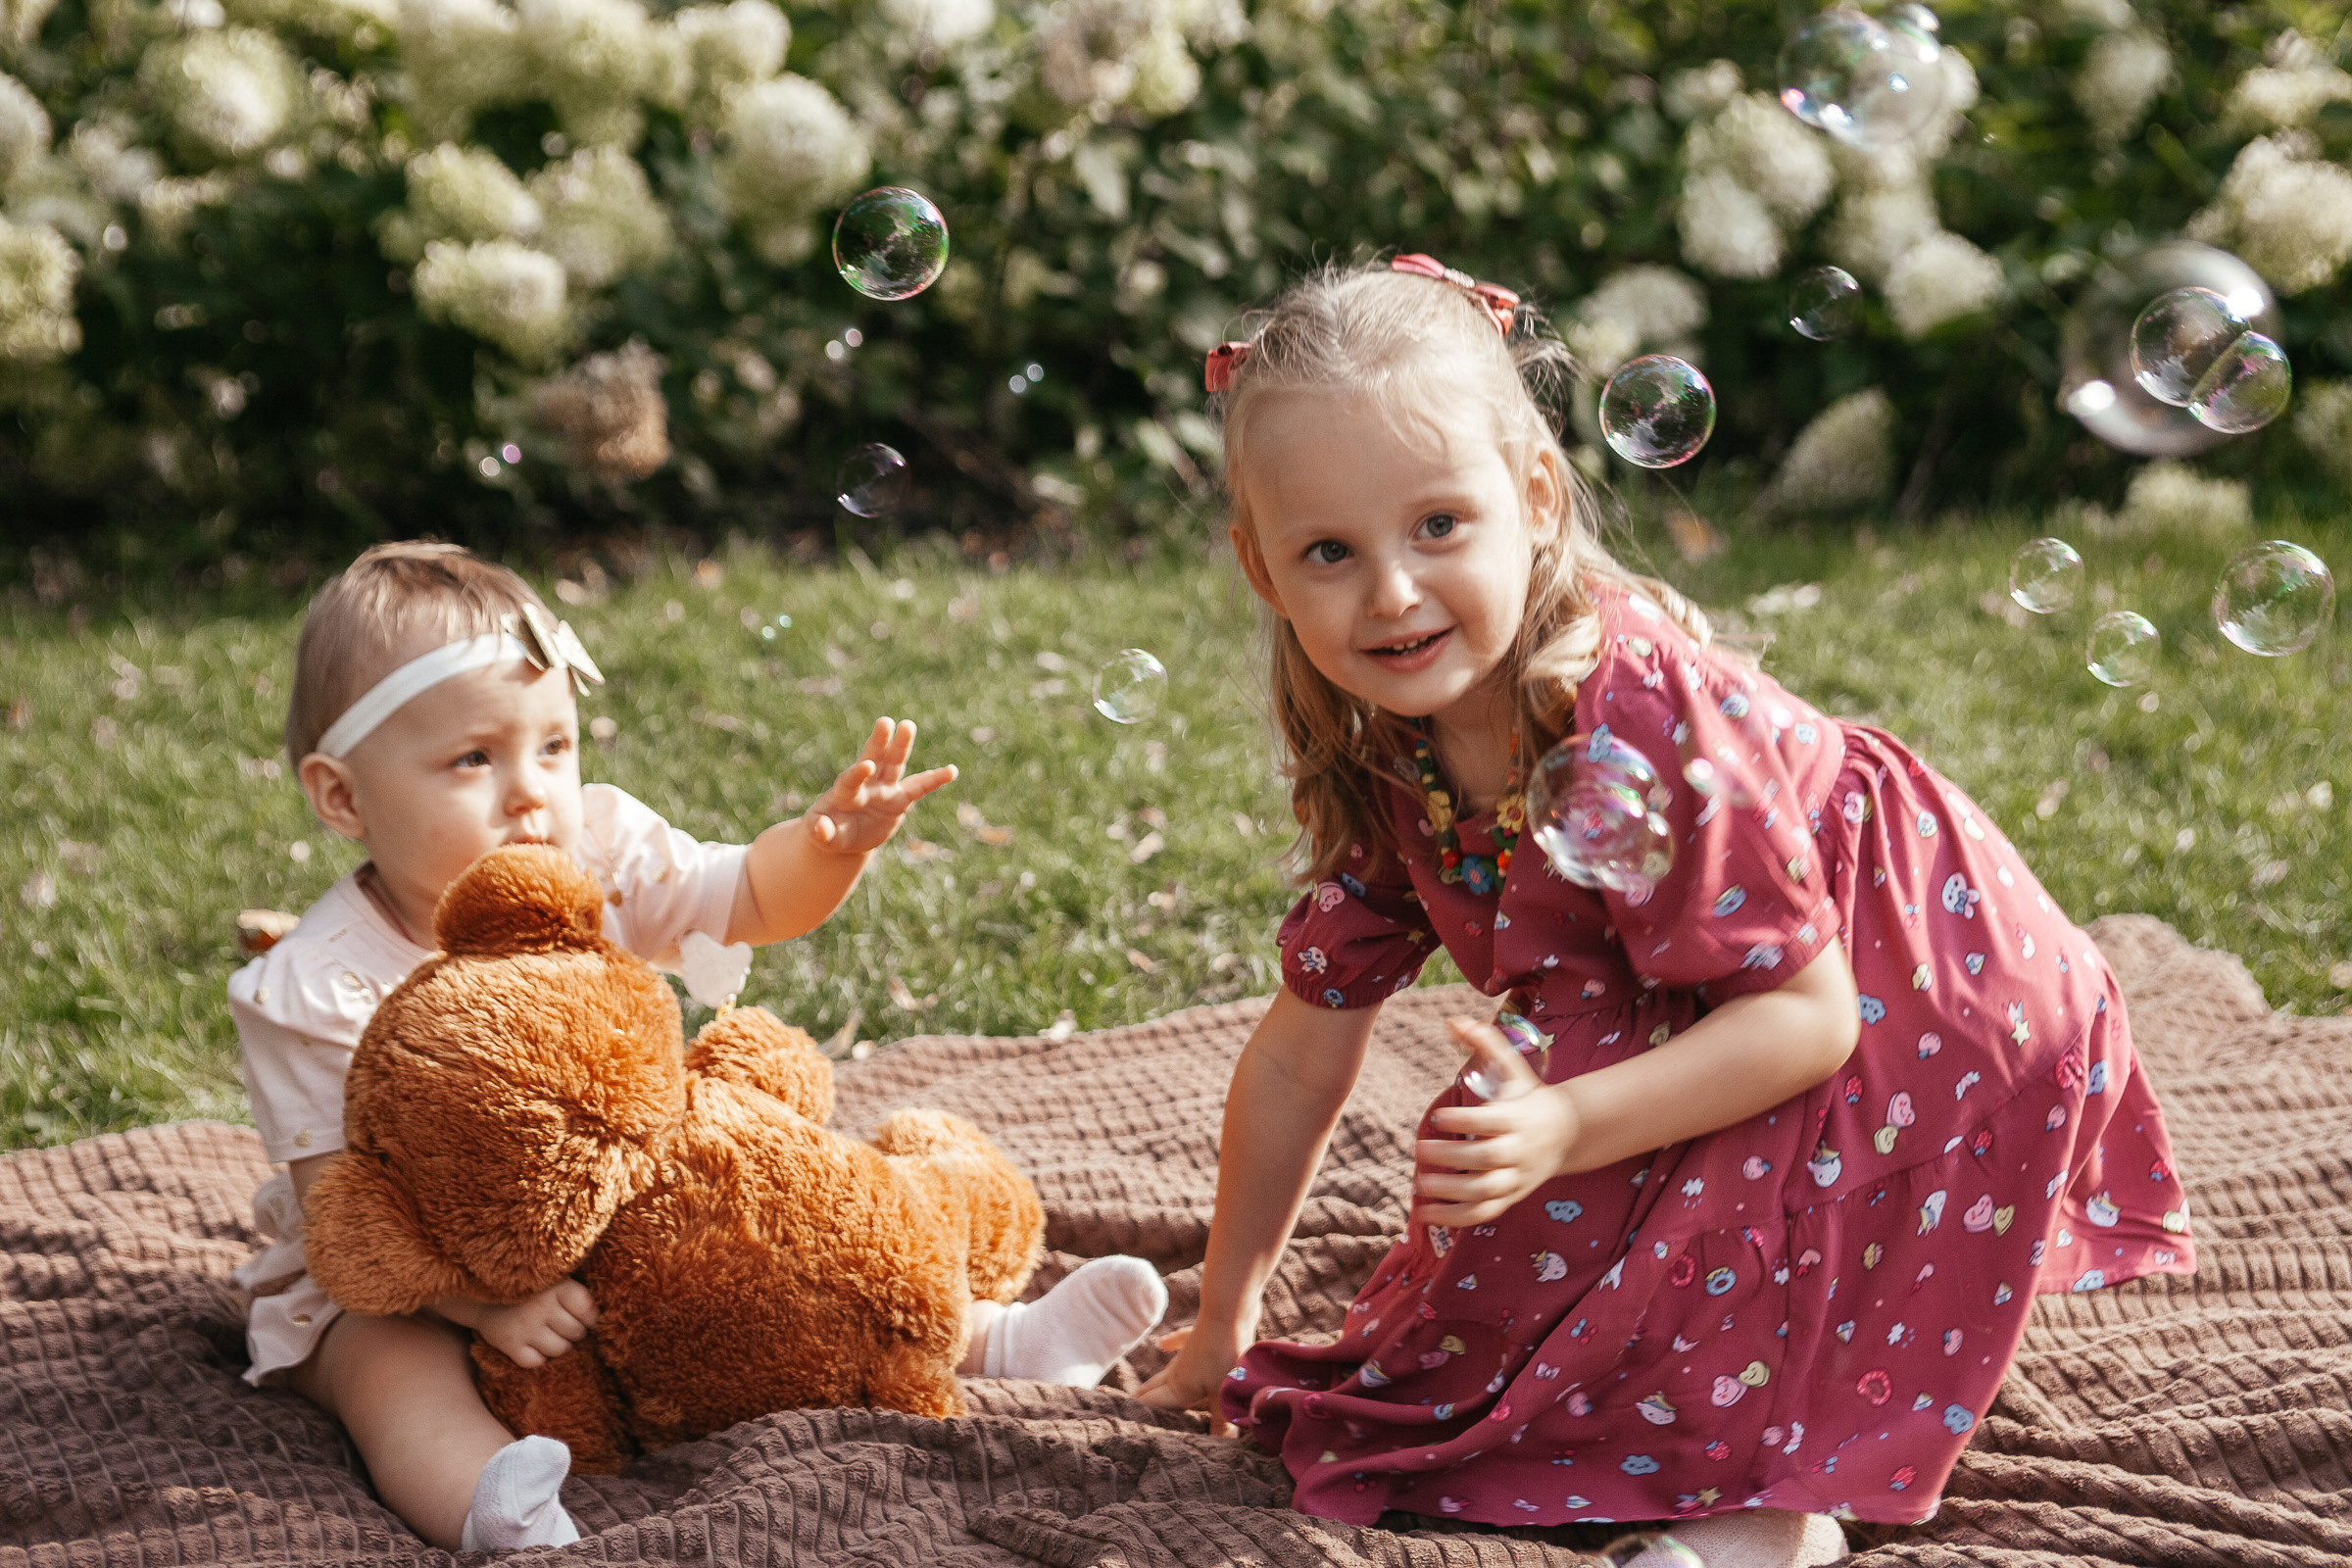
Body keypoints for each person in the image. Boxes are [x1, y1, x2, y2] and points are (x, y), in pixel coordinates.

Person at [1135, 258, 2195, 1566]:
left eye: (1439, 527)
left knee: (1569, 1180)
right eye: (1330, 552)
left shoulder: (1632, 707)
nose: (1394, 593)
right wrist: (1222, 1312)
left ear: (1532, 496)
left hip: (1925, 1007)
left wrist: (1568, 1124)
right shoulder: (1391, 756)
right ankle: (1673, 1421)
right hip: (1723, 1007)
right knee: (1456, 1325)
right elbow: (1305, 1048)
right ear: (1262, 568)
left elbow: (1806, 1023)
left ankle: (1770, 1513)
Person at [230, 542, 1167, 1552]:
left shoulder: (598, 851)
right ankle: (495, 1508)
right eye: (474, 758)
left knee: (796, 1230)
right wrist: (485, 1303)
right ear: (342, 796)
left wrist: (826, 845)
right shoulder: (314, 983)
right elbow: (344, 1214)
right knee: (383, 1364)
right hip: (420, 1273)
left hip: (633, 1206)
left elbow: (751, 896)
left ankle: (999, 1339)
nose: (529, 793)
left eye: (554, 745)